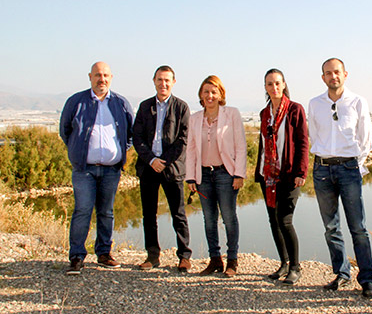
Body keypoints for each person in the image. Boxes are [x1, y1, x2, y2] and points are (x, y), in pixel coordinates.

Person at [308, 58, 372, 299]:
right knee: (330, 226)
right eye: (328, 73)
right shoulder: (315, 104)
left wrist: (355, 166)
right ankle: (341, 273)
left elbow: (366, 139)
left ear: (345, 74)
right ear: (323, 77)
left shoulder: (357, 102)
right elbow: (314, 136)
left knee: (358, 227)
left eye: (336, 72)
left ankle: (367, 279)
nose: (333, 76)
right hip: (322, 170)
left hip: (349, 169)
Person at [59, 62, 134, 275]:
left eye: (105, 75)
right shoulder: (76, 101)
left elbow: (129, 133)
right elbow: (65, 130)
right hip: (84, 170)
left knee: (106, 212)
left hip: (111, 170)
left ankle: (103, 253)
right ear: (90, 77)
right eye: (97, 75)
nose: (102, 79)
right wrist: (78, 150)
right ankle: (76, 257)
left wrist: (119, 152)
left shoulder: (120, 103)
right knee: (82, 210)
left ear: (111, 77)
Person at [185, 75, 246, 277]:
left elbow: (240, 145)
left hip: (225, 174)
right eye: (206, 92)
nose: (210, 95)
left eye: (214, 92)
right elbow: (191, 150)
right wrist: (191, 177)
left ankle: (232, 261)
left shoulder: (232, 114)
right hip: (203, 175)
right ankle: (214, 260)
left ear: (221, 94)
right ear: (201, 95)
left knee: (229, 218)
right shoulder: (194, 119)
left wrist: (239, 174)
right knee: (209, 219)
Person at [133, 65, 191, 272]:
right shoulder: (144, 106)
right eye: (160, 79)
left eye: (167, 80)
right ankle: (152, 255)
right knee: (149, 214)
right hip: (148, 168)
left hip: (172, 168)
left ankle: (184, 256)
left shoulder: (182, 107)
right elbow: (137, 137)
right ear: (154, 81)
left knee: (178, 213)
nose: (163, 83)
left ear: (173, 82)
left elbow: (183, 140)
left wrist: (163, 161)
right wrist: (151, 160)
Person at [255, 68, 309, 285]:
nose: (274, 87)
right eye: (269, 84)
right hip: (267, 175)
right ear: (266, 88)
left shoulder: (295, 110)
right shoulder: (264, 113)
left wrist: (301, 172)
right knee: (273, 221)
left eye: (277, 83)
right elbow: (262, 142)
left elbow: (303, 142)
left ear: (284, 84)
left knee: (285, 220)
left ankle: (296, 267)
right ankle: (284, 263)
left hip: (288, 174)